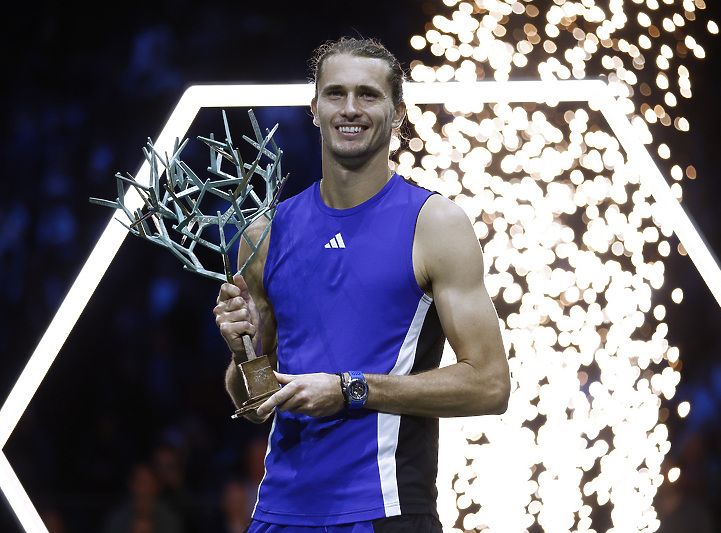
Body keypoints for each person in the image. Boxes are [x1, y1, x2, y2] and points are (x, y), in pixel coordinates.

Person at [213, 37, 510, 533]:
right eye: (336, 93)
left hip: (385, 511)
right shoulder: (265, 234)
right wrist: (242, 350)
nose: (350, 109)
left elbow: (490, 385)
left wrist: (351, 390)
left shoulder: (434, 224)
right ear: (314, 108)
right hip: (278, 515)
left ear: (397, 113)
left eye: (368, 95)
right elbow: (251, 405)